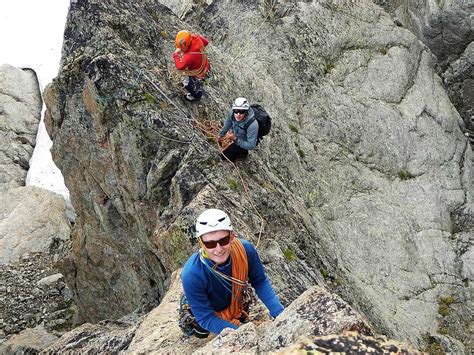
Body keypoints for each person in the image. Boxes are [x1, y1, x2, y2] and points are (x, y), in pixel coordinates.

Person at [180, 209, 284, 337]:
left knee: (241, 316)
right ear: (201, 243)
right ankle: (189, 300)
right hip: (210, 307)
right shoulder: (192, 274)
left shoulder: (245, 250)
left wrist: (280, 314)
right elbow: (205, 318)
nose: (219, 249)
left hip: (234, 301)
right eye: (210, 244)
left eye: (223, 241)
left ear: (232, 236)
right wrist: (242, 334)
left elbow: (260, 281)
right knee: (201, 332)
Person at [173, 30, 210, 101]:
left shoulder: (189, 56)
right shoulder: (196, 37)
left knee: (186, 81)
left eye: (181, 47)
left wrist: (176, 55)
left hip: (199, 75)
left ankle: (196, 95)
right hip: (206, 66)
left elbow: (179, 66)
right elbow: (206, 42)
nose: (180, 49)